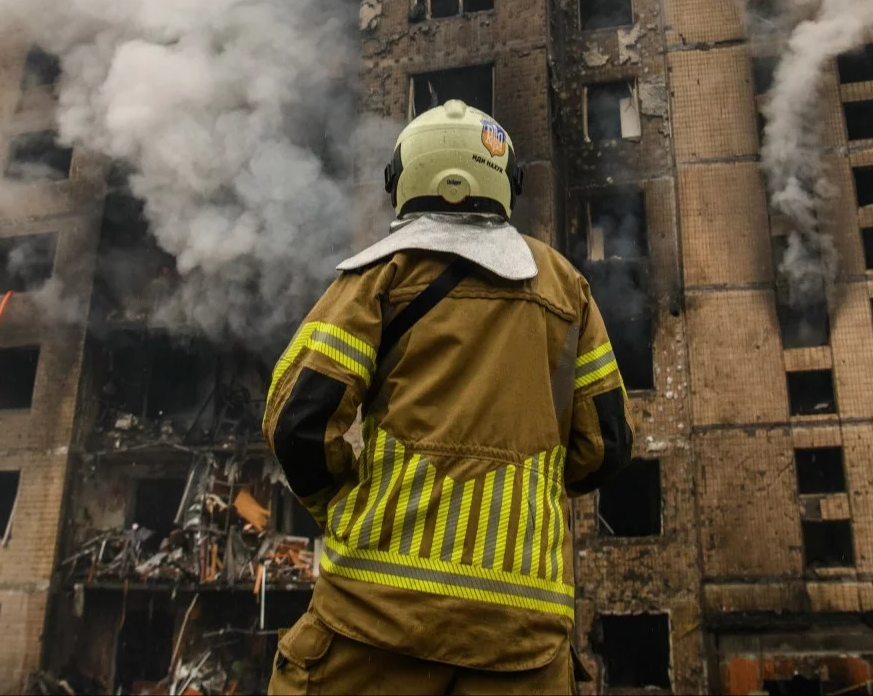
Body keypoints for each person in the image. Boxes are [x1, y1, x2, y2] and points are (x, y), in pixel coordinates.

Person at [264, 101, 633, 695]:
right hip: (525, 640)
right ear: (506, 182)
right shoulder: (567, 287)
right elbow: (606, 447)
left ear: (402, 181)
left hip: (373, 621)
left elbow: (297, 420)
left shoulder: (378, 276)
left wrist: (341, 509)